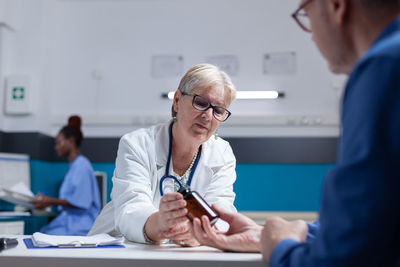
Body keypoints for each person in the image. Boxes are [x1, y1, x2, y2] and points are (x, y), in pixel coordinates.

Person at [192, 0, 400, 266]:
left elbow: (344, 259)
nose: (311, 34)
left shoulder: (382, 70)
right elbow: (378, 221)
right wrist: (269, 235)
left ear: (336, 6)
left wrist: (281, 247)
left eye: (306, 15)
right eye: (200, 103)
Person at [89, 63, 237, 247]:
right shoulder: (138, 144)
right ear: (176, 100)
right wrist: (161, 224)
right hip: (116, 248)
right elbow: (130, 210)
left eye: (219, 110)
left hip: (176, 254)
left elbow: (220, 214)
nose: (208, 115)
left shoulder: (222, 154)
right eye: (200, 102)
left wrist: (200, 234)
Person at [33, 115, 101, 235]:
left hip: (80, 226)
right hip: (70, 222)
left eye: (59, 142)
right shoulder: (74, 167)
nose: (56, 147)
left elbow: (81, 202)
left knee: (43, 237)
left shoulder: (82, 166)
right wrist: (47, 202)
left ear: (70, 141)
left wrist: (50, 201)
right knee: (42, 234)